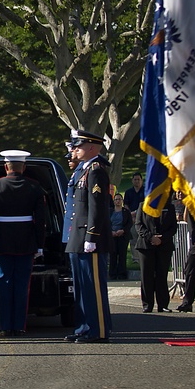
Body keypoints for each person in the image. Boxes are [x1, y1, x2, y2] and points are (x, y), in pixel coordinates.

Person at [0, 149, 47, 337]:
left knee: (4, 284)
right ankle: (19, 326)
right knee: (22, 286)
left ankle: (5, 327)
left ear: (6, 167)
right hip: (26, 243)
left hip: (2, 243)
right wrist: (39, 244)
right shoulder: (35, 187)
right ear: (23, 167)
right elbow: (41, 220)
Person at [64, 129, 113, 342]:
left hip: (90, 238)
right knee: (82, 287)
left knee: (93, 287)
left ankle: (98, 330)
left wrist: (92, 236)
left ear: (92, 147)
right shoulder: (82, 171)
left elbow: (98, 208)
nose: (76, 149)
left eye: (80, 146)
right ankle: (84, 327)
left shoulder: (96, 171)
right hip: (78, 237)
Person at [135, 191, 178, 313]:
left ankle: (163, 304)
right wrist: (150, 237)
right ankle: (147, 304)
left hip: (164, 246)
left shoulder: (169, 207)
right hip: (146, 246)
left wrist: (162, 239)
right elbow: (138, 225)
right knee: (146, 276)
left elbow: (173, 227)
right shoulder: (143, 205)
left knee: (161, 275)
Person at [109, 193, 133, 280]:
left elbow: (129, 223)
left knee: (122, 255)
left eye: (119, 199)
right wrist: (111, 232)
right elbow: (106, 223)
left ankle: (122, 274)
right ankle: (112, 274)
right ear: (114, 201)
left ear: (122, 201)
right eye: (116, 199)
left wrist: (123, 230)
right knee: (113, 255)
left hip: (123, 236)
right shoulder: (110, 211)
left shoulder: (126, 212)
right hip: (112, 236)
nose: (118, 201)